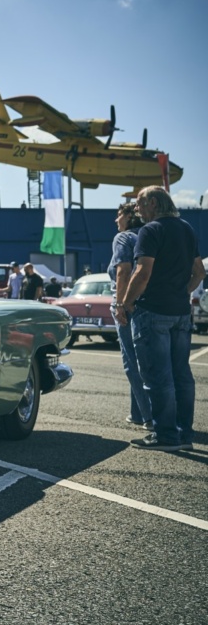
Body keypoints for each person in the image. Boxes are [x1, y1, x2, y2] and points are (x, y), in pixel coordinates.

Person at [117, 186, 205, 451]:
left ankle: (165, 435)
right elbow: (199, 272)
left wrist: (126, 303)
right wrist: (181, 292)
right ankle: (184, 433)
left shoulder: (150, 230)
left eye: (140, 204)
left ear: (153, 203)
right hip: (180, 312)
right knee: (182, 375)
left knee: (158, 376)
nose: (137, 209)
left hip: (152, 312)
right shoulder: (187, 228)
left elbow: (141, 272)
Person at [108, 202, 152, 430]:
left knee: (132, 363)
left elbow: (123, 271)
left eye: (119, 215)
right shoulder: (149, 235)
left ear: (129, 217)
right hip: (150, 305)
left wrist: (120, 305)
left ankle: (149, 418)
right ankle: (137, 412)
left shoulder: (123, 238)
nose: (116, 220)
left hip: (128, 305)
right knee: (147, 360)